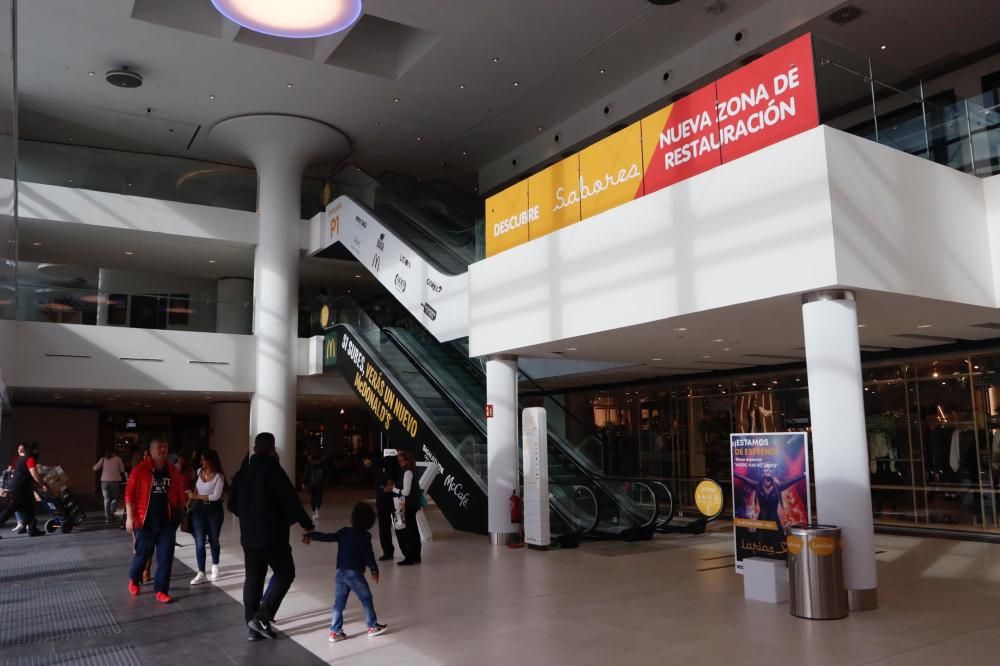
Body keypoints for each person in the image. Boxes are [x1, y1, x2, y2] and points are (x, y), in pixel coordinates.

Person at [228, 432, 315, 642]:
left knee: (253, 578)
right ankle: (262, 617)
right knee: (285, 573)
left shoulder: (242, 474)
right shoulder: (275, 473)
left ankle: (253, 626)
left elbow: (231, 505)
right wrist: (307, 525)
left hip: (249, 537)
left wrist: (249, 517)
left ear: (255, 449)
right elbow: (292, 503)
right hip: (273, 537)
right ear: (273, 449)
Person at [306, 502, 388, 642]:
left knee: (339, 603)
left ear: (353, 519)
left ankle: (335, 631)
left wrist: (311, 535)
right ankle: (372, 626)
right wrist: (374, 570)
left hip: (340, 574)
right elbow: (369, 555)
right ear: (369, 523)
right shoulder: (365, 537)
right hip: (354, 574)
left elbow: (328, 537)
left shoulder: (344, 532)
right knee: (366, 599)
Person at [125, 439, 187, 603]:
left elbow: (179, 493)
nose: (163, 449)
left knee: (166, 557)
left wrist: (182, 513)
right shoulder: (140, 470)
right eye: (159, 447)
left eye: (165, 447)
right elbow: (129, 495)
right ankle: (134, 578)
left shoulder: (172, 471)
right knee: (142, 555)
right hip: (145, 522)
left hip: (167, 521)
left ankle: (161, 590)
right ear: (151, 451)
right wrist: (130, 517)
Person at [187, 449, 226, 585]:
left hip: (214, 510)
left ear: (211, 460)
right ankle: (201, 572)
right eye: (201, 459)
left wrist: (195, 497)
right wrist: (192, 497)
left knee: (214, 539)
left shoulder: (219, 476)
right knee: (199, 541)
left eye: (204, 459)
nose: (202, 462)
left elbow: (215, 496)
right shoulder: (198, 472)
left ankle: (215, 564)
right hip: (198, 509)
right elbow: (197, 489)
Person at [0, 442, 46, 538]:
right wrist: (42, 484)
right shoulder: (30, 459)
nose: (38, 452)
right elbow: (34, 474)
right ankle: (32, 529)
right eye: (37, 450)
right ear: (33, 450)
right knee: (10, 510)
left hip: (21, 488)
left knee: (30, 508)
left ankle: (32, 529)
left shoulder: (22, 458)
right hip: (21, 489)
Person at [363, 453, 399, 562]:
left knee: (400, 524)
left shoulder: (396, 461)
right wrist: (369, 461)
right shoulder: (383, 461)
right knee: (384, 525)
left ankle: (405, 551)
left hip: (394, 497)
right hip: (382, 497)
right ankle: (387, 552)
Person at [391, 450, 421, 565]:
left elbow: (406, 492)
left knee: (407, 532)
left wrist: (393, 489)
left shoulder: (407, 472)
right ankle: (415, 556)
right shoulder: (411, 471)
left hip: (406, 504)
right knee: (413, 530)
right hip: (411, 505)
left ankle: (409, 557)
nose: (399, 463)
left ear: (407, 461)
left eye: (401, 460)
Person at [93, 447, 127, 522]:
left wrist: (102, 463)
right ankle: (112, 512)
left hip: (104, 482)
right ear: (114, 452)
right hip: (114, 481)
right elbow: (122, 470)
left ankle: (107, 517)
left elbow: (95, 468)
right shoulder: (118, 459)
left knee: (106, 499)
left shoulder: (103, 459)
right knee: (115, 498)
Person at [6, 443, 27, 532]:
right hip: (15, 485)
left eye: (22, 449)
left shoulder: (27, 458)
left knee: (24, 505)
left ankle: (26, 523)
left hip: (24, 485)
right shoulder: (15, 458)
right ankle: (21, 522)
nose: (20, 451)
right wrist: (9, 470)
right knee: (15, 505)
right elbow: (10, 468)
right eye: (18, 449)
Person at [304, 446, 326, 521]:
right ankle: (317, 509)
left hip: (311, 482)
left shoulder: (309, 461)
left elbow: (307, 472)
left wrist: (304, 482)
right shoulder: (322, 461)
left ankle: (313, 512)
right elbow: (326, 472)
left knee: (313, 497)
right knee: (319, 496)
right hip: (320, 482)